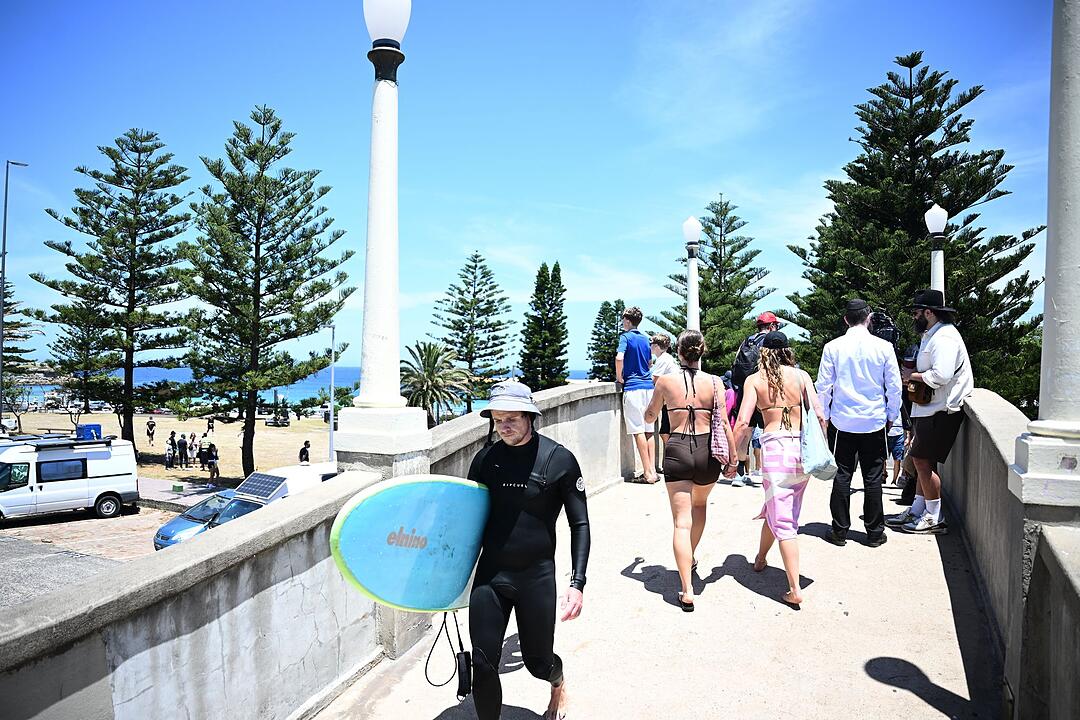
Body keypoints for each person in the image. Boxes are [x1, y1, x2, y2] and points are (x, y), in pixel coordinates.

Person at [467, 381, 589, 720]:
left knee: (538, 663)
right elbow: (464, 520)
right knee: (484, 662)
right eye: (498, 420)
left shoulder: (558, 460)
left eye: (512, 419)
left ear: (530, 417)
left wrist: (577, 583)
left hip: (535, 576)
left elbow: (580, 524)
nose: (504, 427)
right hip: (491, 575)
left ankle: (557, 683)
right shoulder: (485, 460)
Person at [644, 330, 737, 611]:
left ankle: (686, 590)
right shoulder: (715, 382)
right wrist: (733, 458)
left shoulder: (665, 381)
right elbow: (723, 423)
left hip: (677, 449)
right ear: (702, 351)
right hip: (708, 452)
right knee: (700, 505)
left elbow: (649, 416)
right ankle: (691, 555)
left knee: (680, 523)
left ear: (679, 353)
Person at [735, 331, 827, 606]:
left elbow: (742, 421)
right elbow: (820, 414)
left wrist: (734, 455)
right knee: (776, 508)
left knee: (784, 519)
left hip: (776, 450)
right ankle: (761, 558)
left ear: (763, 352)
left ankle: (794, 588)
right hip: (801, 450)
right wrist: (821, 446)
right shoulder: (801, 377)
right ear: (788, 350)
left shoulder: (755, 380)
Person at [815, 299, 903, 547]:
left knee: (842, 476)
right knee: (873, 478)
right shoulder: (884, 347)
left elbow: (823, 387)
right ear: (869, 318)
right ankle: (875, 533)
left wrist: (827, 417)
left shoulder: (833, 347)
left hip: (842, 422)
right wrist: (891, 415)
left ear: (845, 320)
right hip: (874, 421)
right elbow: (894, 386)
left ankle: (839, 531)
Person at [889, 289, 974, 534]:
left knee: (922, 462)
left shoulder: (944, 337)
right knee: (921, 461)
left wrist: (911, 376)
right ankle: (918, 509)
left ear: (929, 312)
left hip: (942, 410)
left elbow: (941, 375)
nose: (914, 317)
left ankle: (934, 516)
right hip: (929, 409)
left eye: (916, 312)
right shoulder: (933, 334)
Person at [730, 311, 781, 486]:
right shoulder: (771, 341)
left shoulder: (747, 341)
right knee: (770, 431)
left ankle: (738, 474)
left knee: (745, 432)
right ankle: (770, 473)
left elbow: (735, 365)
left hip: (745, 390)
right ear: (772, 326)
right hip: (764, 390)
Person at [617, 306, 657, 483]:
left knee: (638, 430)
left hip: (633, 388)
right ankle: (653, 471)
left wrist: (620, 377)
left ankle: (647, 473)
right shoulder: (645, 339)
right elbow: (649, 363)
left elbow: (619, 357)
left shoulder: (625, 337)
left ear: (627, 320)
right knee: (649, 430)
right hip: (649, 388)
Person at [649, 332, 679, 447]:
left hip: (670, 400)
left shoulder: (663, 359)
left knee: (665, 432)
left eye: (651, 343)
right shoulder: (666, 358)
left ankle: (671, 456)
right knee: (666, 431)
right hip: (671, 399)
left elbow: (655, 380)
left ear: (656, 346)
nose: (649, 346)